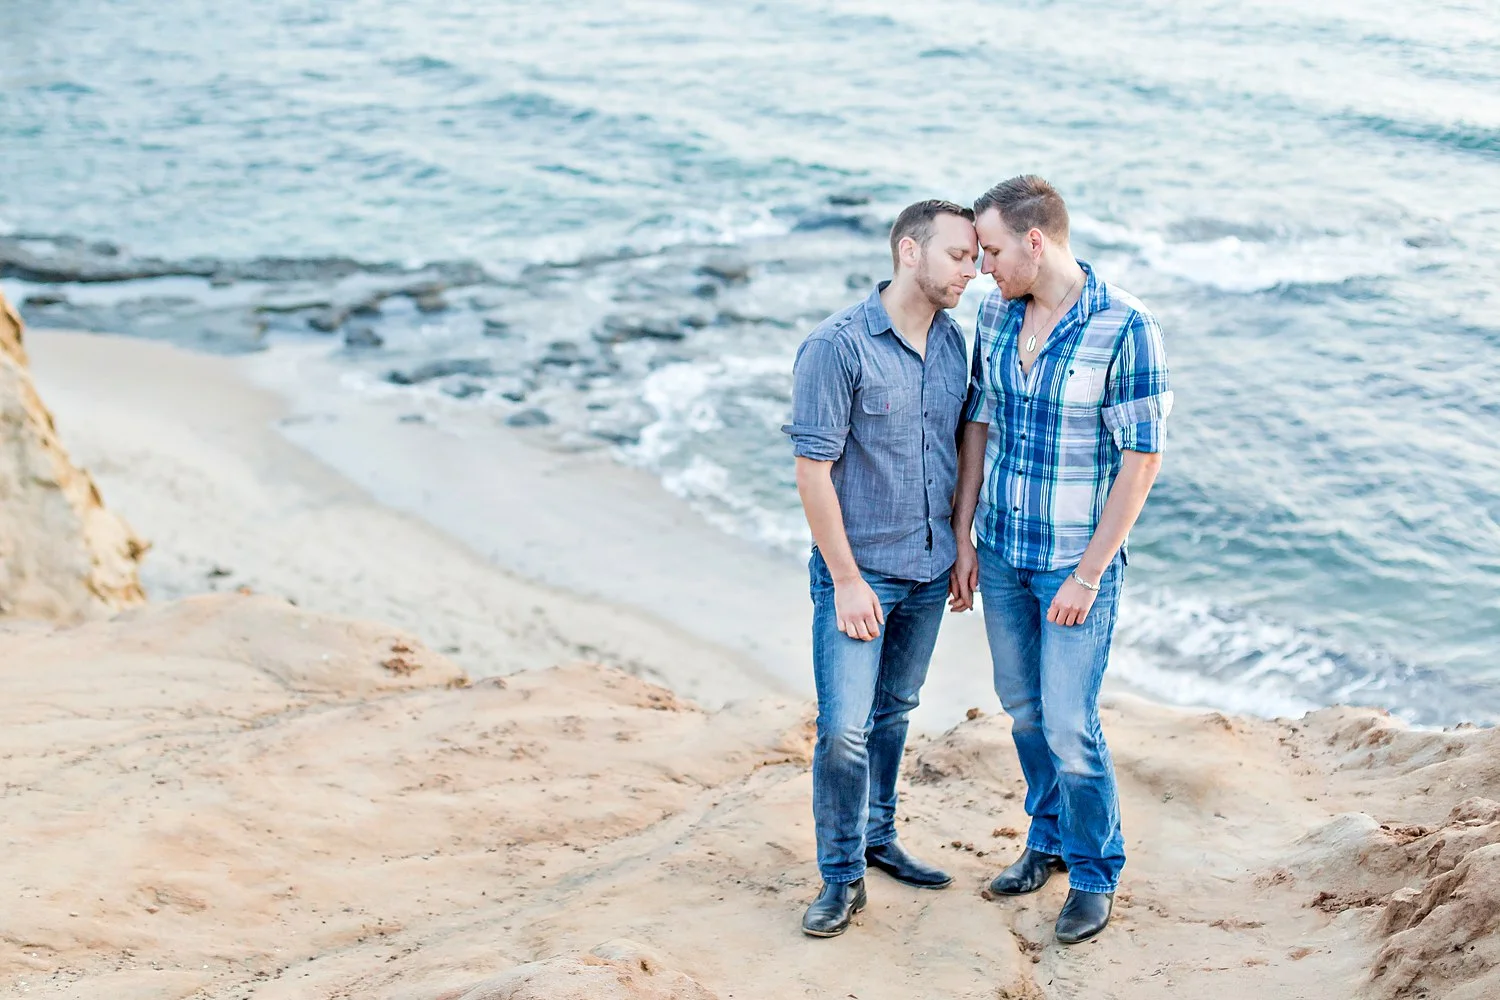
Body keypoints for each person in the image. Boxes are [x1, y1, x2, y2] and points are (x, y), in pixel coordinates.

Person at [949, 175, 1173, 945]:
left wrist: (1087, 574)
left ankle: (1093, 871)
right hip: (1004, 553)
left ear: (1035, 241)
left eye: (994, 250)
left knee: (1072, 723)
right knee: (1025, 714)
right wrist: (964, 534)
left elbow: (1141, 460)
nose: (983, 267)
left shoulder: (1127, 326)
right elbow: (977, 423)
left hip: (1074, 565)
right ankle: (1044, 841)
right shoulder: (996, 313)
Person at [782, 199, 978, 938]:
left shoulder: (956, 345)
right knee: (842, 731)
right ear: (908, 252)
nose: (974, 269)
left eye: (975, 257)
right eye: (959, 255)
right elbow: (813, 471)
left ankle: (877, 835)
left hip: (930, 570)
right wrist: (847, 579)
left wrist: (963, 541)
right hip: (859, 573)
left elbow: (964, 449)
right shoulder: (836, 348)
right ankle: (840, 879)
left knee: (895, 713)